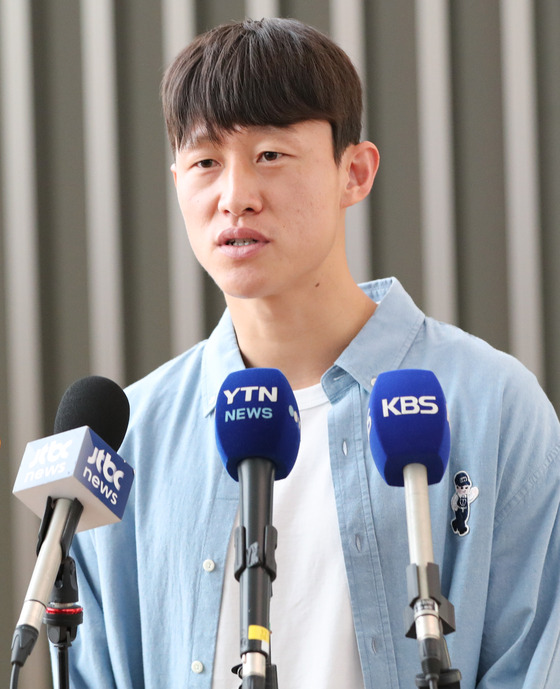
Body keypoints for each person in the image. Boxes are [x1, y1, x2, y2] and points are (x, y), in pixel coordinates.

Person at [65, 17, 560, 689]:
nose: (234, 196)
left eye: (269, 154)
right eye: (206, 161)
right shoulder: (132, 436)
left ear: (353, 172)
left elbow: (534, 661)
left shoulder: (493, 404)